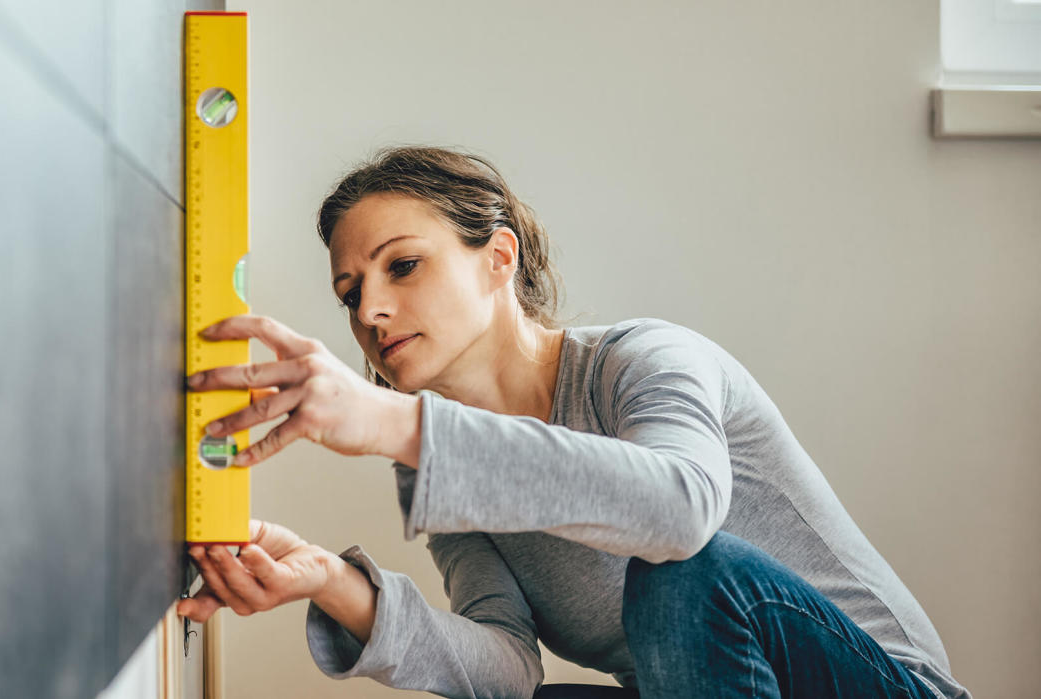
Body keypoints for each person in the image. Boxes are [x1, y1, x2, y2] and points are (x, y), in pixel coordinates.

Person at [175, 146, 970, 699]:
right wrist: (331, 580)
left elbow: (680, 509)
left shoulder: (647, 360)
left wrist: (393, 419)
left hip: (893, 685)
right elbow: (507, 668)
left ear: (498, 259)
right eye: (350, 293)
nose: (372, 310)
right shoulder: (436, 462)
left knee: (680, 570)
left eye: (403, 265)